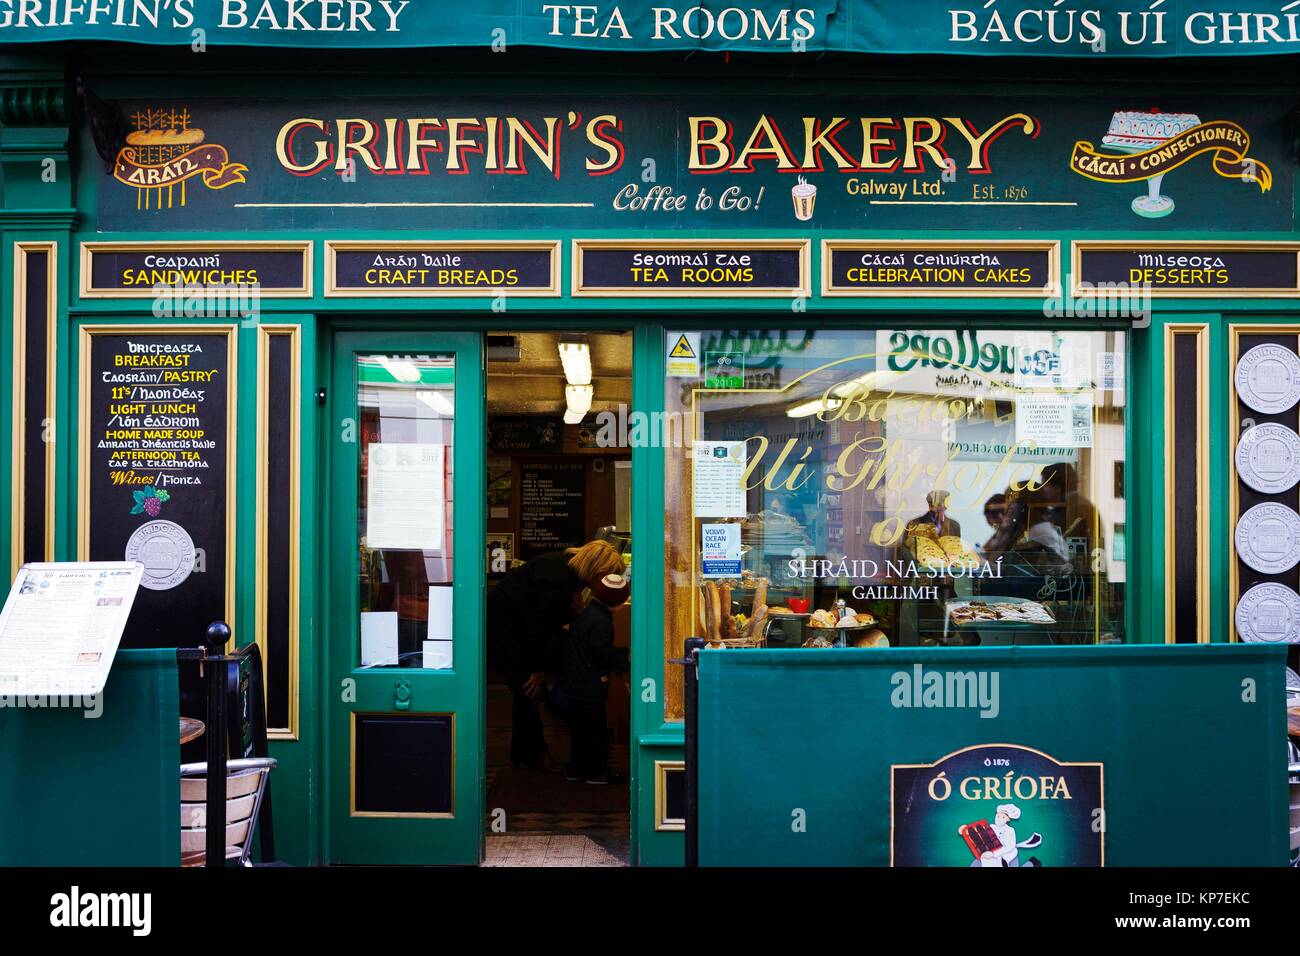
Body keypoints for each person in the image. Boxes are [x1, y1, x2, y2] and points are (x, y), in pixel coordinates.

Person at [486, 540, 624, 773]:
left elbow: (543, 621)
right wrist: (537, 669)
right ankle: (535, 753)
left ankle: (526, 754)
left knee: (526, 690)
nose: (605, 582)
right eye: (606, 575)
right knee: (527, 687)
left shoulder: (564, 567)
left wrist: (574, 613)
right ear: (596, 569)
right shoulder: (560, 581)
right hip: (506, 632)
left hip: (510, 628)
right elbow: (537, 627)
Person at [560, 572, 631, 785]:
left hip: (576, 681)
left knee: (580, 730)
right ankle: (595, 772)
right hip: (590, 684)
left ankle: (577, 769)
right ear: (616, 601)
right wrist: (623, 657)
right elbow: (601, 652)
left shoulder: (589, 613)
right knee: (595, 729)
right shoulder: (602, 622)